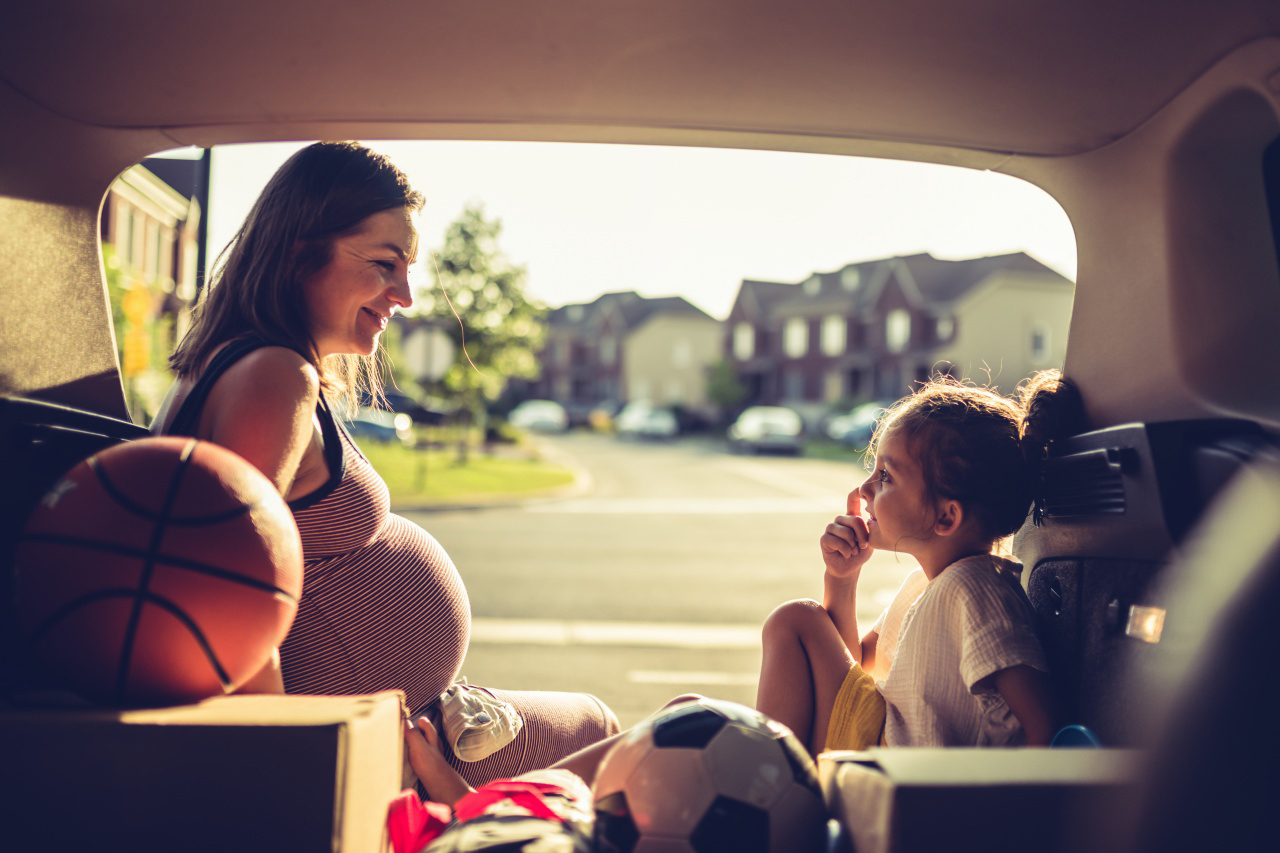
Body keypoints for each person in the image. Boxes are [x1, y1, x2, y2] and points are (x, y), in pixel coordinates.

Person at [151, 141, 618, 787]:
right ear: (298, 251)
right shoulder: (273, 374)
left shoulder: (237, 362)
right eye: (384, 263)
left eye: (409, 266)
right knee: (608, 736)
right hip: (375, 744)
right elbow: (227, 585)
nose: (406, 292)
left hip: (407, 720)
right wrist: (282, 765)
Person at [756, 373, 1078, 753]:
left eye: (886, 476)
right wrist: (842, 578)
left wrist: (999, 809)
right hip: (880, 746)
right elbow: (859, 664)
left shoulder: (977, 590)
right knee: (694, 708)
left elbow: (1044, 723)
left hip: (899, 764)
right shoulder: (926, 584)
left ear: (946, 518)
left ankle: (776, 792)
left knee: (797, 620)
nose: (864, 489)